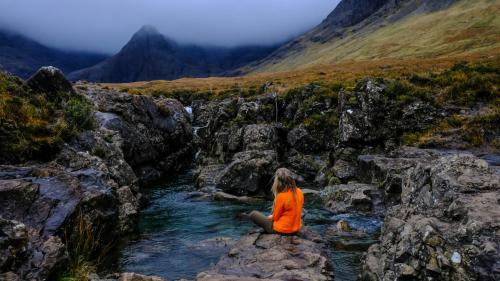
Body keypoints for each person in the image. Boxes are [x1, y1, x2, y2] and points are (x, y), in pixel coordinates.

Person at [248, 168, 304, 235]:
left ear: (277, 181)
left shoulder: (281, 196)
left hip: (281, 230)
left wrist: (270, 217)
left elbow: (275, 217)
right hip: (296, 229)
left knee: (253, 214)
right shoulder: (299, 191)